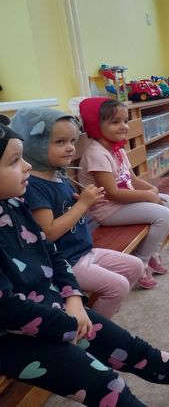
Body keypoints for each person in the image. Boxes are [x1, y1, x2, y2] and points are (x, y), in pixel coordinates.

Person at [0, 115, 169, 406]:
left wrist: (74, 300)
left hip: (54, 312)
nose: (26, 165)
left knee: (135, 349)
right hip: (15, 336)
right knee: (108, 385)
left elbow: (53, 254)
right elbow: (8, 310)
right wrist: (68, 325)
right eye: (14, 161)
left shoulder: (14, 204)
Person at [11, 107, 149, 319]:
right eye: (60, 142)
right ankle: (94, 330)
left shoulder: (58, 176)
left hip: (85, 250)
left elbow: (69, 212)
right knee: (118, 286)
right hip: (67, 261)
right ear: (34, 144)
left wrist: (83, 204)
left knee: (135, 266)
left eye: (73, 141)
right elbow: (49, 232)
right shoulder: (33, 186)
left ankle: (100, 311)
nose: (70, 148)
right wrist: (82, 205)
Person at [78, 97, 169, 286]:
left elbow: (132, 180)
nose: (124, 126)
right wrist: (147, 196)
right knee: (163, 215)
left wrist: (151, 189)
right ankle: (141, 262)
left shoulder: (117, 149)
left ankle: (152, 253)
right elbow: (112, 193)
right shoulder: (96, 154)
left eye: (125, 121)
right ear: (95, 125)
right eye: (115, 122)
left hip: (124, 202)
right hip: (108, 210)